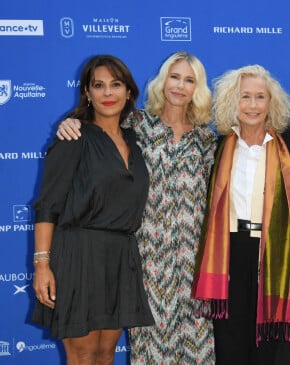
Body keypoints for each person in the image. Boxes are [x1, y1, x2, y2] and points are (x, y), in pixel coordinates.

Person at [56, 51, 217, 364]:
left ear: (197, 88)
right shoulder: (136, 126)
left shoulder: (207, 140)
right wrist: (71, 122)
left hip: (194, 262)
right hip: (146, 260)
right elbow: (97, 123)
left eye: (189, 80)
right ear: (162, 81)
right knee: (151, 349)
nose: (180, 86)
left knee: (198, 346)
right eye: (174, 76)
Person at [32, 54, 154, 365]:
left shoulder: (135, 140)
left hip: (119, 257)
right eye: (99, 86)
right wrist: (42, 266)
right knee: (83, 355)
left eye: (116, 85)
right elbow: (48, 206)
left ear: (128, 91)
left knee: (105, 354)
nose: (108, 93)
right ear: (87, 92)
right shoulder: (73, 137)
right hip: (78, 255)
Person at [191, 64, 290, 365]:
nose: (253, 105)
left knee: (265, 353)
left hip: (273, 254)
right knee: (229, 346)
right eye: (246, 97)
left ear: (271, 103)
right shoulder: (219, 148)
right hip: (230, 254)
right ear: (234, 102)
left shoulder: (289, 148)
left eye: (260, 97)